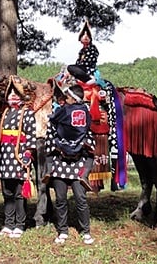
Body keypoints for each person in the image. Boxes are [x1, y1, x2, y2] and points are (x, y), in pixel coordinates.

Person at [44, 84, 96, 245]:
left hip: (78, 161)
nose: (64, 100)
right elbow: (52, 130)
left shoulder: (70, 112)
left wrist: (73, 145)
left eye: (67, 97)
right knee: (60, 198)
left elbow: (86, 135)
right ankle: (62, 230)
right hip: (60, 161)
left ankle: (85, 231)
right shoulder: (66, 113)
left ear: (74, 98)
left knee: (80, 198)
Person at [0, 83, 37, 238]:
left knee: (19, 193)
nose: (12, 95)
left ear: (21, 97)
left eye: (16, 93)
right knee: (7, 192)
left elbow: (31, 135)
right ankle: (8, 224)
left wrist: (28, 154)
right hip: (4, 157)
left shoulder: (27, 113)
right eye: (10, 93)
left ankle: (20, 224)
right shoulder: (4, 113)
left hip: (19, 156)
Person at [67, 20, 99, 85]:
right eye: (83, 35)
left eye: (87, 35)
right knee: (68, 68)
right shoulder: (81, 51)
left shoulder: (92, 48)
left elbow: (89, 62)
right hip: (81, 68)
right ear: (80, 39)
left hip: (88, 69)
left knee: (70, 67)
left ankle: (89, 79)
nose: (85, 36)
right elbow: (78, 62)